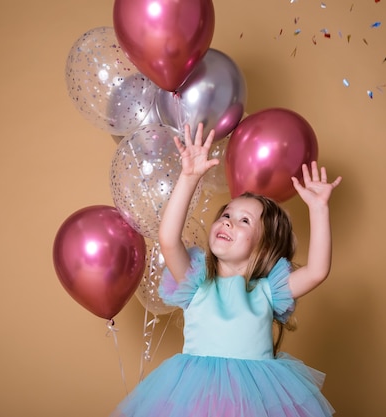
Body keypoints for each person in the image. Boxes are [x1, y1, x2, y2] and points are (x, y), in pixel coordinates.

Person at [111, 123, 342, 417]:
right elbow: (168, 239)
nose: (229, 222)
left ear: (265, 244)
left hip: (256, 397)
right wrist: (189, 177)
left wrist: (319, 208)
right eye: (227, 215)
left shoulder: (268, 292)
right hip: (194, 395)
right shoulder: (195, 282)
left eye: (245, 221)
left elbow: (318, 270)